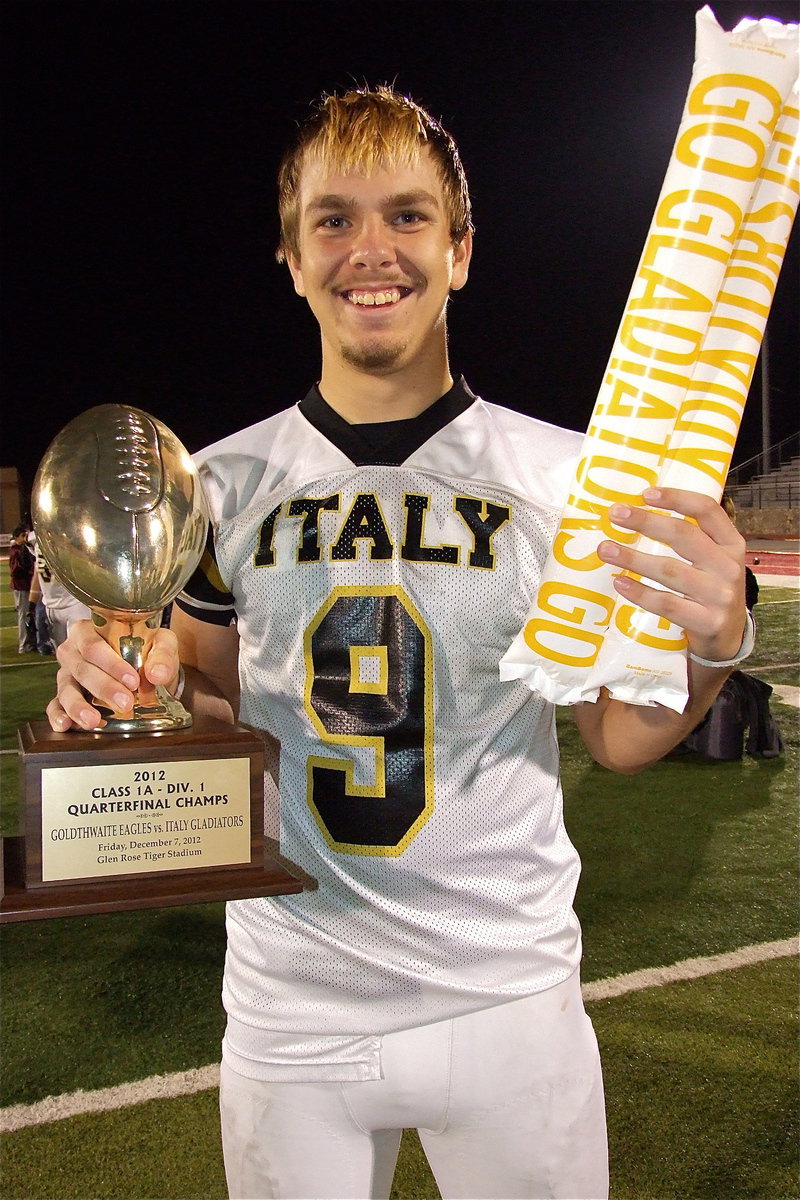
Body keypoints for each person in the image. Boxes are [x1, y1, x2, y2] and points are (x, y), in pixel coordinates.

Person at [47, 87, 753, 1200]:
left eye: (407, 216)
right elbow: (216, 712)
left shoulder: (565, 482)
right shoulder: (218, 487)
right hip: (293, 1002)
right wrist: (131, 691)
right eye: (332, 219)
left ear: (460, 250)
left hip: (507, 996)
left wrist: (715, 639)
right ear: (288, 257)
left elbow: (616, 737)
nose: (369, 249)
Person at [29, 541, 92, 649]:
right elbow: (38, 572)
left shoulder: (69, 537)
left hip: (75, 603)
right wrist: (31, 605)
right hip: (51, 605)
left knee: (80, 650)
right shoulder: (39, 541)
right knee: (61, 653)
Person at [8, 523, 36, 652]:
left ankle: (29, 642)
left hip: (25, 586)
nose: (26, 537)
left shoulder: (22, 548)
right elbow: (15, 571)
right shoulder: (16, 550)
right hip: (21, 586)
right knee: (23, 615)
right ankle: (23, 645)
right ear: (17, 537)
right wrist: (29, 571)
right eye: (23, 535)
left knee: (27, 615)